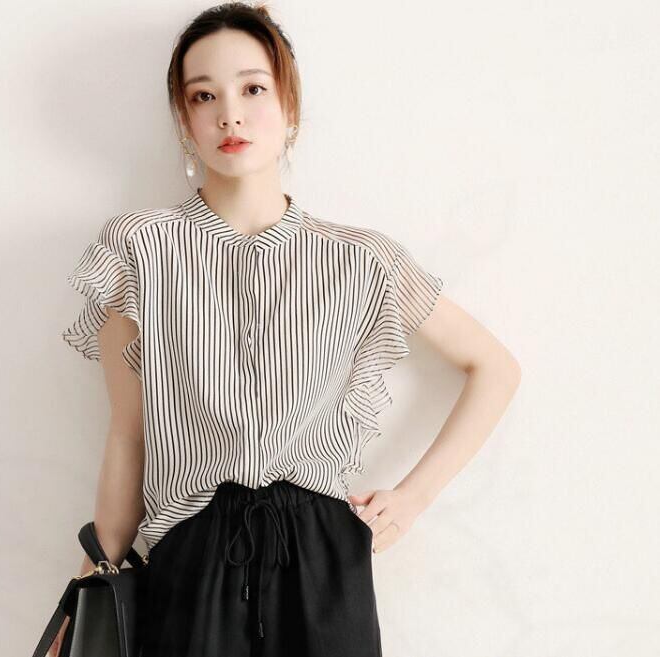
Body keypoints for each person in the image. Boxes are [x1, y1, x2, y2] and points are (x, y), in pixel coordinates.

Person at [52, 3, 522, 656]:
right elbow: (129, 436)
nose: (230, 114)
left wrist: (414, 498)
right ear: (184, 119)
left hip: (325, 563)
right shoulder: (139, 249)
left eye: (253, 88)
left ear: (288, 104)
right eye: (204, 96)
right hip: (190, 563)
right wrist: (85, 595)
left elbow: (494, 368)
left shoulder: (361, 259)